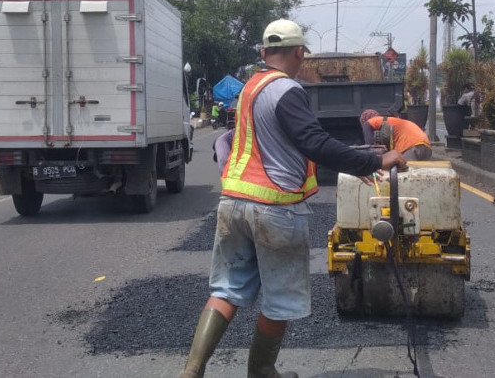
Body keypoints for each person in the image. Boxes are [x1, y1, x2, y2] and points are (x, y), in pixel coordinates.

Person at [178, 19, 405, 378]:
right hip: (274, 208)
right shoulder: (287, 89)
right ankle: (262, 371)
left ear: (264, 53)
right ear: (300, 52)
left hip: (234, 201)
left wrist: (354, 160)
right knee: (280, 298)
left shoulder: (250, 87)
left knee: (227, 289)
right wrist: (375, 160)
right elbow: (312, 141)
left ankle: (191, 371)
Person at [360, 109, 432, 161]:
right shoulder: (391, 121)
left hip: (412, 147)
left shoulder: (369, 122)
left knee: (405, 176)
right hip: (427, 147)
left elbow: (369, 148)